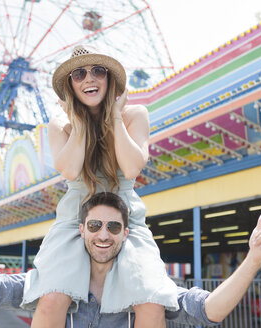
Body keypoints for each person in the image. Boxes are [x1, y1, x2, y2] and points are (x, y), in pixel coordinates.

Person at [0, 184, 261, 327]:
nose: (104, 234)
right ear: (81, 229)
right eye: (95, 225)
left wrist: (254, 258)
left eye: (113, 227)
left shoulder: (145, 287)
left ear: (126, 233)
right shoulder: (54, 284)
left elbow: (209, 310)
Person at [23, 44, 177, 328]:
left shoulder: (135, 115)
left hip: (124, 218)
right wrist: (79, 122)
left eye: (98, 71)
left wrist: (115, 116)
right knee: (52, 299)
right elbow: (69, 169)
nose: (89, 79)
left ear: (110, 79)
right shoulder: (60, 125)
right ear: (70, 85)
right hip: (75, 219)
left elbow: (131, 167)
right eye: (79, 74)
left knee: (152, 301)